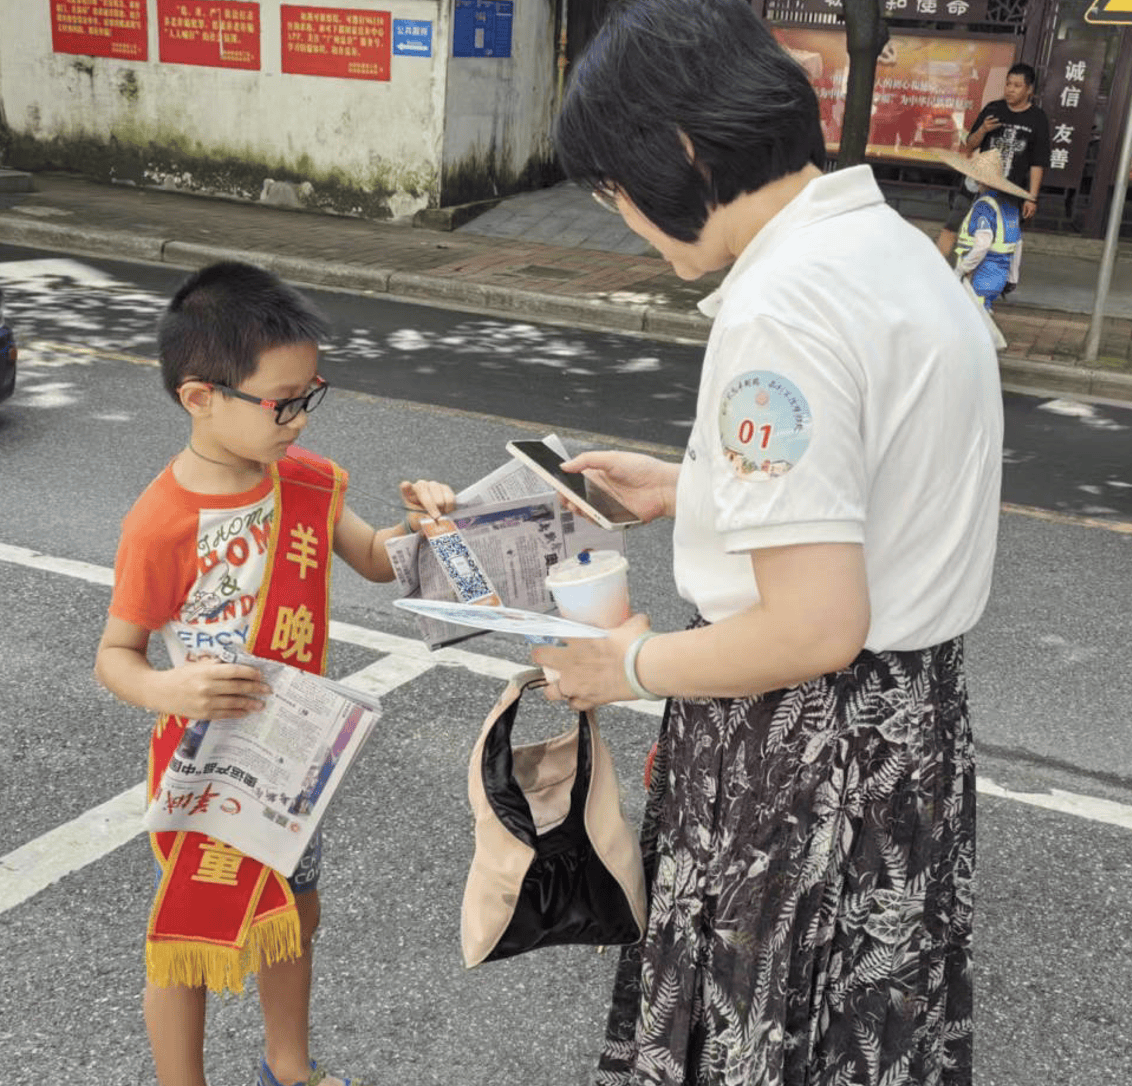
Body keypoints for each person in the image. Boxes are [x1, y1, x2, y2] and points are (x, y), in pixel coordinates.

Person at [537, 2, 1002, 1084]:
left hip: (797, 748)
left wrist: (626, 666)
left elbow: (812, 625)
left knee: (763, 1023)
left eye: (615, 191)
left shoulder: (781, 307)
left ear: (682, 154)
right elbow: (871, 492)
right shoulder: (891, 251)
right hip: (908, 729)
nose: (624, 222)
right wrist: (697, 489)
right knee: (861, 1023)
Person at [93, 261, 457, 1086]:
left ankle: (289, 1068)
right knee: (188, 939)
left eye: (309, 396)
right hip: (206, 769)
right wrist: (165, 689)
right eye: (281, 402)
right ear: (200, 397)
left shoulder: (304, 482)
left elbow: (371, 559)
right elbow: (116, 655)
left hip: (293, 759)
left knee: (294, 915)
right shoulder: (160, 523)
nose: (297, 419)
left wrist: (423, 525)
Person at [936, 61, 1051, 283]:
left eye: (1017, 85)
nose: (1010, 89)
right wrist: (983, 130)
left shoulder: (1037, 119)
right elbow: (969, 146)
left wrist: (1031, 197)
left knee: (988, 238)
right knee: (953, 225)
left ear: (1029, 90)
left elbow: (1039, 162)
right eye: (1008, 84)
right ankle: (936, 271)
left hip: (1008, 189)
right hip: (976, 182)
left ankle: (971, 285)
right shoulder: (993, 109)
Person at [937, 147, 1030, 312]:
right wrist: (1012, 278)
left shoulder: (984, 206)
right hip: (998, 277)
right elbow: (1018, 242)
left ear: (981, 180)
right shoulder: (1010, 206)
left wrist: (961, 270)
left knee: (973, 319)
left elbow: (982, 245)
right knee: (984, 315)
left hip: (978, 275)